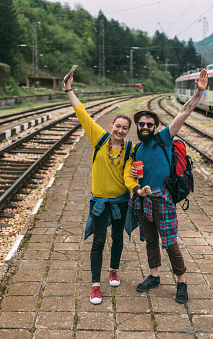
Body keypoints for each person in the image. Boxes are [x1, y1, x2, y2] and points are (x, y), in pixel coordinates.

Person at [63, 71, 151, 305]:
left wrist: (136, 190)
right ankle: (95, 286)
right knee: (98, 242)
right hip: (100, 201)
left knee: (118, 238)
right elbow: (82, 114)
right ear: (111, 125)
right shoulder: (99, 139)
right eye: (118, 126)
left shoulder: (130, 149)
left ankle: (113, 270)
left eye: (125, 128)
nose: (120, 130)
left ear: (128, 131)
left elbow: (128, 176)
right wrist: (69, 89)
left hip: (121, 201)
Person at [129, 69, 208, 304]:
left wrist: (198, 92)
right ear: (138, 125)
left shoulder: (163, 138)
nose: (145, 127)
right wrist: (134, 178)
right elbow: (132, 176)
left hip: (162, 200)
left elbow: (183, 113)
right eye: (141, 124)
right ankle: (154, 276)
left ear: (155, 126)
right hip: (143, 201)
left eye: (149, 124)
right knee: (151, 241)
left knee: (170, 242)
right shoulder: (136, 149)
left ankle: (181, 282)